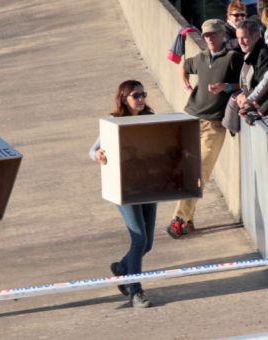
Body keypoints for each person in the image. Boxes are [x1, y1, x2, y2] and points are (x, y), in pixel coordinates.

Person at [166, 19, 244, 239]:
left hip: (214, 125)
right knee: (187, 171)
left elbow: (249, 82)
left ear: (223, 35)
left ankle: (179, 219)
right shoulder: (200, 59)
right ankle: (188, 220)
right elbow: (184, 67)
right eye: (206, 35)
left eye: (213, 35)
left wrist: (227, 87)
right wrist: (186, 85)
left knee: (199, 172)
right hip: (191, 119)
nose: (209, 39)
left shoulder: (233, 58)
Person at [89, 80, 156, 308]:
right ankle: (135, 291)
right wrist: (98, 155)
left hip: (148, 187)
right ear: (124, 98)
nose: (141, 99)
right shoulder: (113, 123)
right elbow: (92, 150)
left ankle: (121, 268)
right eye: (136, 95)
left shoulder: (151, 119)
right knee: (138, 240)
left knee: (147, 244)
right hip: (124, 189)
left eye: (143, 94)